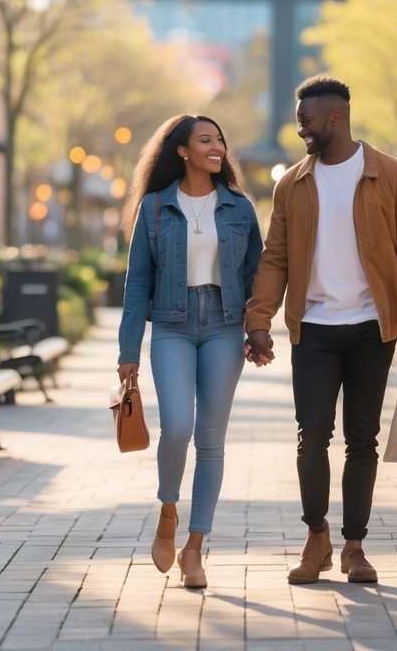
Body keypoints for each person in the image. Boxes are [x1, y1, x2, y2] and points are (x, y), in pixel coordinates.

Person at [243, 74, 397, 585]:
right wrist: (258, 320)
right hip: (315, 329)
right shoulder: (293, 184)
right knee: (311, 437)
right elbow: (275, 257)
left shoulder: (392, 177)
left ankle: (354, 546)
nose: (299, 127)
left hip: (374, 327)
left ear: (335, 118)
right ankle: (316, 536)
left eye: (306, 119)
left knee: (362, 439)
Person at [117, 114, 263, 589]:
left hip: (223, 325)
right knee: (176, 427)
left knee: (211, 440)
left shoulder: (239, 207)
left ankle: (195, 549)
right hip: (173, 327)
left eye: (220, 138)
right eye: (206, 140)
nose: (217, 146)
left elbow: (259, 274)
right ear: (182, 151)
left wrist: (258, 329)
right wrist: (128, 351)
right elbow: (137, 284)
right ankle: (167, 509)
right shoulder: (155, 208)